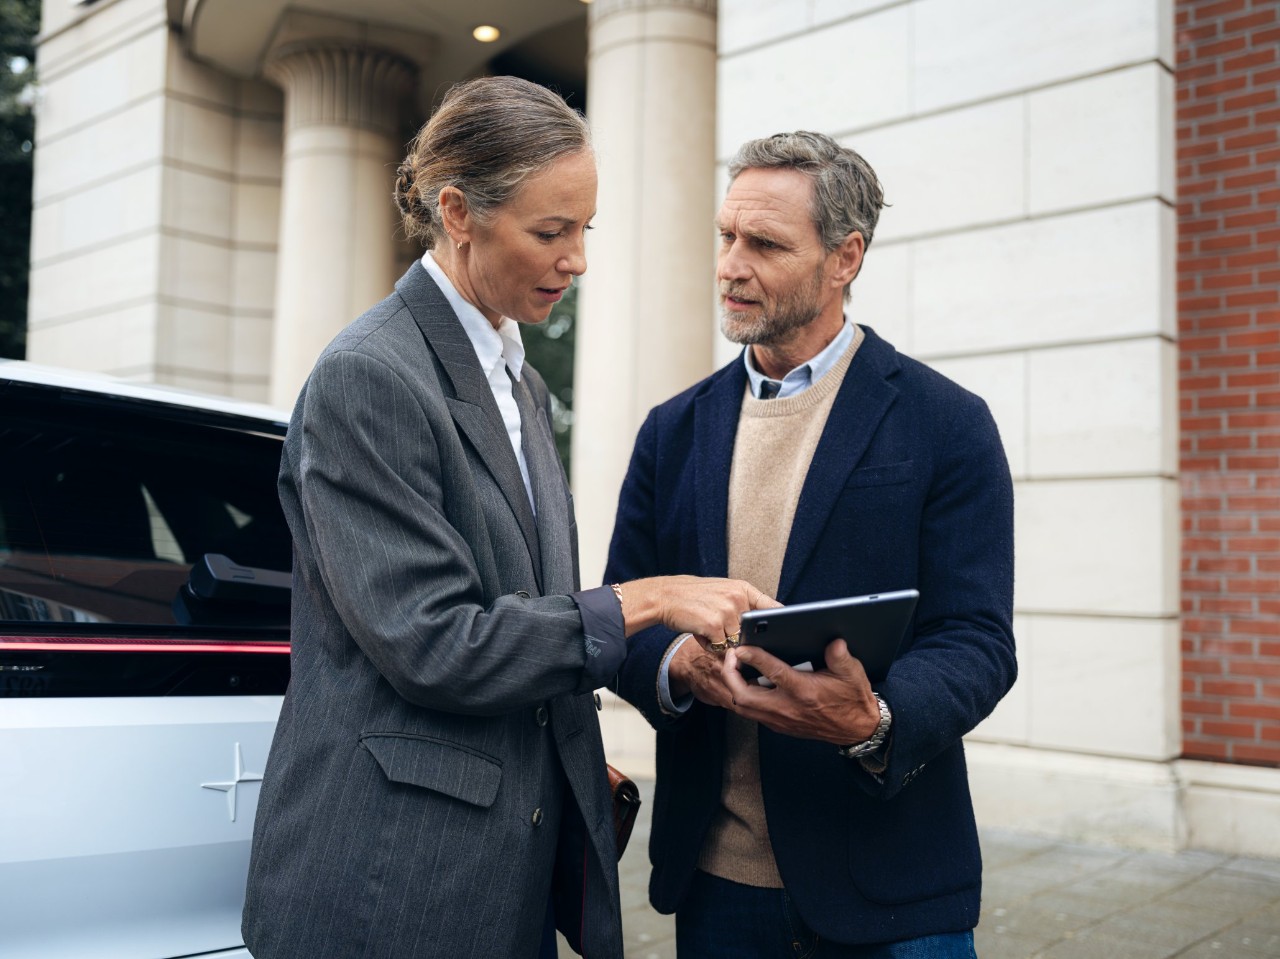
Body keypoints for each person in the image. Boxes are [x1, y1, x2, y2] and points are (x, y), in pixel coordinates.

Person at [241, 76, 772, 959]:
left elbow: (526, 609)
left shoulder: (520, 381)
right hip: (394, 884)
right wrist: (644, 601)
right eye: (549, 231)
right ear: (458, 211)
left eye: (585, 230)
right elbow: (437, 642)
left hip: (503, 867)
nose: (578, 260)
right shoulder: (369, 377)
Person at [606, 130, 1016, 957]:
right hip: (716, 886)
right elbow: (621, 611)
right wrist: (675, 666)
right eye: (726, 236)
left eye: (764, 243)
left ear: (845, 257)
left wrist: (873, 720)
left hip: (892, 887)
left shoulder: (947, 422)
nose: (730, 263)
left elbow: (976, 637)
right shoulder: (671, 431)